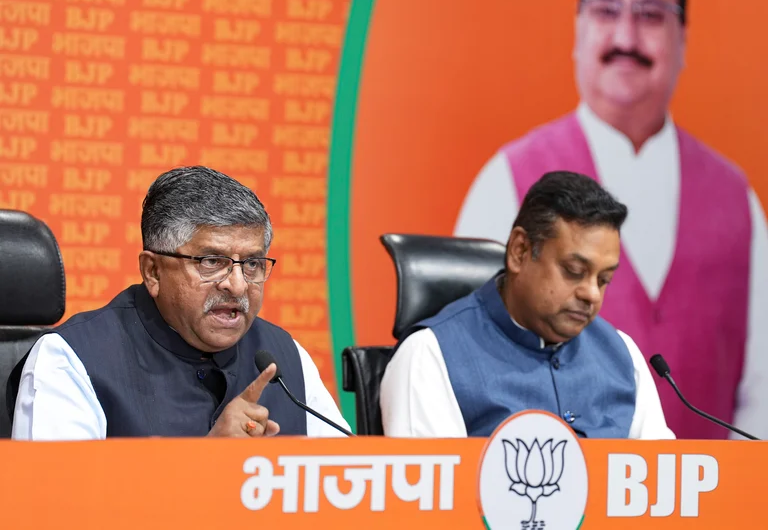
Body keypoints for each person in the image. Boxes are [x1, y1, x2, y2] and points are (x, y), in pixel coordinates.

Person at [454, 0, 768, 440]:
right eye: (605, 10)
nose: (626, 37)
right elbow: (469, 363)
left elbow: (762, 392)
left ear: (683, 37)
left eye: (650, 14)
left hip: (710, 500)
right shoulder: (505, 182)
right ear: (578, 28)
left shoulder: (737, 200)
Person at [11, 166, 350, 440]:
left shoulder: (284, 356)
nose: (237, 285)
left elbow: (344, 485)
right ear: (153, 271)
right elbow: (55, 509)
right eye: (211, 261)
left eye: (252, 264)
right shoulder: (73, 360)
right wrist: (206, 466)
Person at [381, 171, 674, 439]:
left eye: (604, 279)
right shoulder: (429, 357)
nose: (591, 294)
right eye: (574, 271)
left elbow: (662, 485)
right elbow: (434, 494)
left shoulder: (623, 356)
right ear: (520, 251)